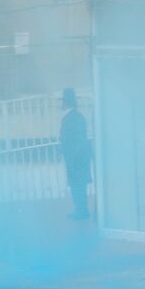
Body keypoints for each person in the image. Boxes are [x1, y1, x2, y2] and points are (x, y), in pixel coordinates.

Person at [60, 88, 92, 220]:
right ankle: (81, 210)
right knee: (80, 185)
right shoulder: (78, 117)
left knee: (76, 185)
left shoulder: (69, 118)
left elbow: (68, 140)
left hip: (75, 158)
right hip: (80, 157)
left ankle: (81, 211)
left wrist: (69, 156)